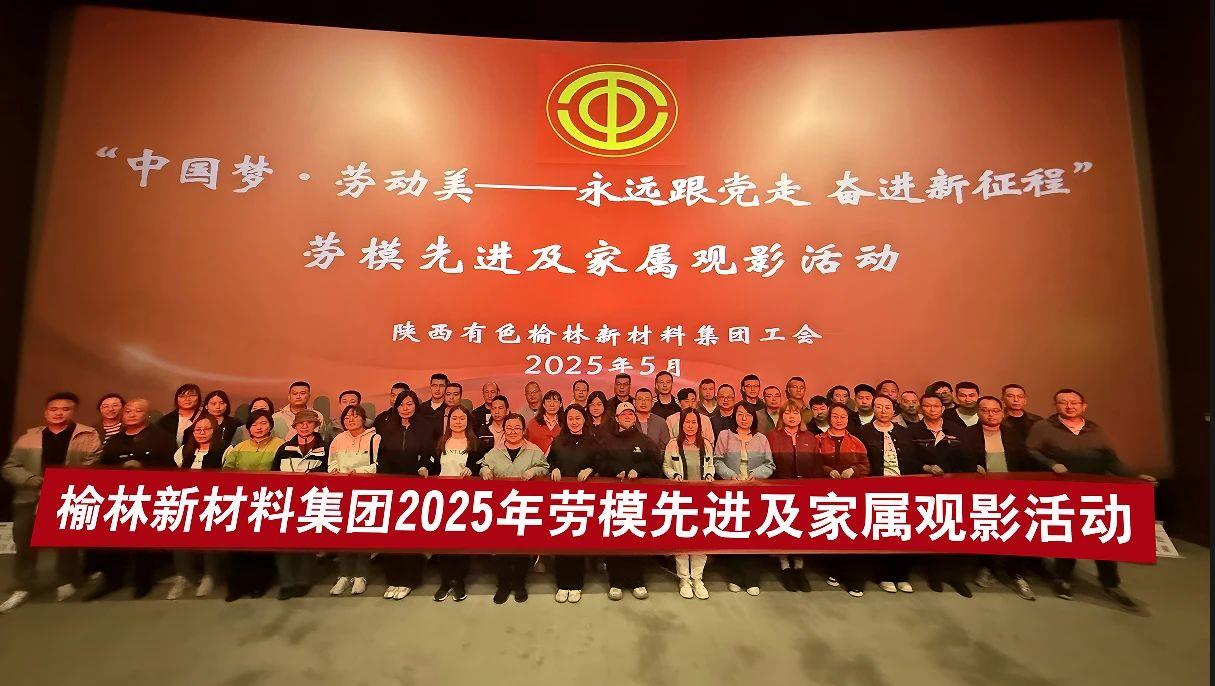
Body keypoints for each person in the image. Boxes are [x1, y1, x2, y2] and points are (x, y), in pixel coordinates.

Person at [1027, 389, 1156, 609]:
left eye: (1074, 402)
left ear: (1083, 406)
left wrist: (1135, 477)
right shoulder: (1043, 427)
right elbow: (1031, 450)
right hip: (1062, 490)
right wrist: (1051, 464)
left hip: (1097, 491)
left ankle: (1111, 583)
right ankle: (1063, 579)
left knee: (1102, 537)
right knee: (1067, 537)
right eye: (1063, 402)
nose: (1069, 406)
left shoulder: (1094, 429)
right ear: (1055, 406)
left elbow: (1111, 460)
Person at [1, 393, 101, 614]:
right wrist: (32, 480)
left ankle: (67, 579)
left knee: (67, 540)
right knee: (25, 541)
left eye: (65, 409)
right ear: (46, 412)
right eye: (54, 409)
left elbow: (93, 464)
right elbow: (10, 466)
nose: (59, 413)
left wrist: (62, 483)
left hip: (67, 494)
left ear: (73, 411)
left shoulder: (87, 434)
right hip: (30, 495)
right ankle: (23, 585)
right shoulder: (29, 437)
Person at [85, 398, 177, 601]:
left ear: (147, 414)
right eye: (128, 411)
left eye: (138, 411)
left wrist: (143, 467)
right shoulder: (114, 441)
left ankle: (143, 581)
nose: (132, 414)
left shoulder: (163, 438)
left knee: (143, 542)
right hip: (117, 497)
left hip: (149, 496)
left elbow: (171, 469)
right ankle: (112, 580)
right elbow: (103, 468)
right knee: (111, 541)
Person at [959, 397, 1035, 600]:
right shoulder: (967, 434)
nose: (991, 414)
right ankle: (987, 567)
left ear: (1002, 413)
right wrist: (972, 469)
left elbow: (1024, 463)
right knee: (987, 530)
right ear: (978, 413)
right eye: (985, 410)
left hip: (1013, 491)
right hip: (982, 492)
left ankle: (1017, 574)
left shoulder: (1012, 434)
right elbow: (958, 461)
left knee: (1015, 533)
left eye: (995, 410)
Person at [597, 402, 663, 600]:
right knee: (614, 540)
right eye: (623, 414)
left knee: (636, 539)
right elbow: (600, 463)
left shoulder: (645, 441)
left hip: (638, 499)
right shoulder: (606, 440)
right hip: (613, 498)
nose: (627, 416)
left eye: (630, 413)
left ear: (634, 417)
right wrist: (614, 470)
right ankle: (615, 582)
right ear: (616, 418)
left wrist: (639, 470)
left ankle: (637, 581)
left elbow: (655, 465)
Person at [480, 414, 548, 603]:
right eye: (508, 428)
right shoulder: (495, 451)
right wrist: (485, 470)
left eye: (517, 428)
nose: (513, 432)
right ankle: (503, 585)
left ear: (524, 430)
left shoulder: (533, 450)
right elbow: (483, 465)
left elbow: (545, 467)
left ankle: (519, 584)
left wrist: (534, 471)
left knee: (522, 549)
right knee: (500, 550)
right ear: (503, 430)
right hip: (500, 506)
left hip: (524, 506)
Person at [378, 390, 439, 600]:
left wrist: (425, 467)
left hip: (415, 487)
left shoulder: (425, 427)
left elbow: (430, 454)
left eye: (410, 404)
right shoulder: (387, 428)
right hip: (391, 487)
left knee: (410, 536)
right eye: (401, 404)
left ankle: (410, 580)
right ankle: (393, 579)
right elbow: (382, 456)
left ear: (416, 406)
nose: (405, 408)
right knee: (391, 537)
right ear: (396, 407)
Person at [856, 395, 919, 594]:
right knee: (881, 533)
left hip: (903, 489)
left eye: (888, 407)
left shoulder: (904, 432)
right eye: (879, 407)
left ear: (894, 410)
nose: (883, 410)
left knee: (903, 533)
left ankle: (902, 575)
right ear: (873, 409)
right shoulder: (862, 432)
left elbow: (914, 460)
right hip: (875, 489)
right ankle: (884, 575)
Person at [909, 394, 971, 597]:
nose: (932, 409)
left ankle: (957, 577)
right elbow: (907, 459)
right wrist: (925, 467)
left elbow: (967, 458)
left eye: (936, 406)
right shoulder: (912, 431)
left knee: (956, 532)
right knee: (932, 531)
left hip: (955, 488)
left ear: (943, 409)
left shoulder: (957, 430)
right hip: (925, 489)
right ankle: (935, 574)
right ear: (921, 408)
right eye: (927, 406)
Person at [220, 409, 283, 601]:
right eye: (254, 424)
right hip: (241, 500)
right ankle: (236, 587)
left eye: (263, 423)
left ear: (270, 425)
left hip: (267, 500)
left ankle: (258, 584)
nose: (259, 428)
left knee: (261, 547)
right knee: (238, 547)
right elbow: (227, 470)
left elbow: (281, 471)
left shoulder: (280, 445)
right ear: (248, 428)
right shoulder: (239, 447)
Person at [713, 403, 774, 596]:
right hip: (731, 492)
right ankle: (735, 577)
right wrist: (730, 475)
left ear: (753, 418)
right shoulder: (725, 436)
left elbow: (770, 464)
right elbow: (717, 460)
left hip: (755, 493)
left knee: (754, 536)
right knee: (734, 536)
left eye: (748, 415)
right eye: (740, 414)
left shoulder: (761, 438)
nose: (744, 418)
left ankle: (752, 578)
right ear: (734, 417)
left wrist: (756, 475)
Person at [167, 415, 229, 599]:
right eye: (197, 430)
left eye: (206, 429)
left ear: (215, 431)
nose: (201, 433)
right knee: (177, 535)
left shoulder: (226, 450)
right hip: (186, 501)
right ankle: (184, 575)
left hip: (214, 502)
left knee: (208, 534)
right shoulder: (182, 451)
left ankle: (209, 576)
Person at [271, 410, 329, 600]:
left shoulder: (325, 448)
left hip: (313, 500)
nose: (304, 426)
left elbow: (330, 473)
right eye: (300, 423)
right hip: (286, 501)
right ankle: (286, 583)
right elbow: (273, 475)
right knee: (283, 545)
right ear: (294, 426)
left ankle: (304, 581)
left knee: (307, 544)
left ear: (316, 425)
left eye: (309, 423)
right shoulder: (284, 448)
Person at [816, 404, 871, 597]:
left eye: (843, 417)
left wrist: (853, 470)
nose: (839, 420)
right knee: (832, 534)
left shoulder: (856, 441)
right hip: (826, 494)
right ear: (829, 418)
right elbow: (812, 463)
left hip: (852, 495)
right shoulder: (818, 440)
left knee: (852, 535)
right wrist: (827, 471)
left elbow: (866, 466)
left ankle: (855, 580)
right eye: (835, 416)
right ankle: (835, 572)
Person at [766, 401, 821, 591]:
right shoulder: (773, 436)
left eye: (795, 413)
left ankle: (799, 567)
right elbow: (769, 462)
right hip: (780, 488)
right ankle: (785, 566)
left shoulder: (810, 437)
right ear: (781, 416)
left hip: (805, 489)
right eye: (787, 413)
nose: (791, 417)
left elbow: (816, 465)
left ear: (801, 416)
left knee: (801, 529)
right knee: (784, 528)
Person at [663, 408, 715, 600]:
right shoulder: (673, 444)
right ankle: (684, 579)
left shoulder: (706, 444)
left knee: (701, 540)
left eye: (694, 422)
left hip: (702, 497)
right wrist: (674, 475)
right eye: (687, 422)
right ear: (681, 424)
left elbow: (710, 465)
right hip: (681, 498)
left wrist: (709, 474)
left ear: (699, 425)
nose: (690, 426)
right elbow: (666, 465)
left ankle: (698, 578)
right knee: (682, 541)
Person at [327, 404, 379, 597]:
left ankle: (360, 575)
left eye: (355, 416)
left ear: (364, 419)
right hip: (342, 492)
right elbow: (332, 461)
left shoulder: (374, 438)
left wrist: (360, 472)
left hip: (366, 492)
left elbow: (378, 464)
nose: (350, 420)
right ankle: (344, 575)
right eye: (347, 417)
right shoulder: (338, 439)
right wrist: (333, 469)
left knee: (363, 535)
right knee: (343, 535)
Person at [548, 404, 598, 603]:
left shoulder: (593, 441)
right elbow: (549, 462)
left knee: (578, 542)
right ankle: (562, 584)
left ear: (584, 419)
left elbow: (601, 462)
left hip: (584, 499)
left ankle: (576, 584)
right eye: (570, 418)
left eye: (578, 418)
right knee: (561, 541)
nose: (574, 422)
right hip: (561, 498)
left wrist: (591, 470)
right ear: (565, 421)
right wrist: (553, 468)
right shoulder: (558, 441)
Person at [433, 406, 483, 602]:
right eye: (454, 418)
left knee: (461, 544)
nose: (458, 422)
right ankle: (445, 582)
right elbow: (433, 465)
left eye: (462, 418)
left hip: (465, 500)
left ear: (468, 421)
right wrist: (424, 468)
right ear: (449, 421)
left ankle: (459, 581)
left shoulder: (475, 444)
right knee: (442, 544)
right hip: (442, 499)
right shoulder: (441, 442)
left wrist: (472, 470)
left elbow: (479, 466)